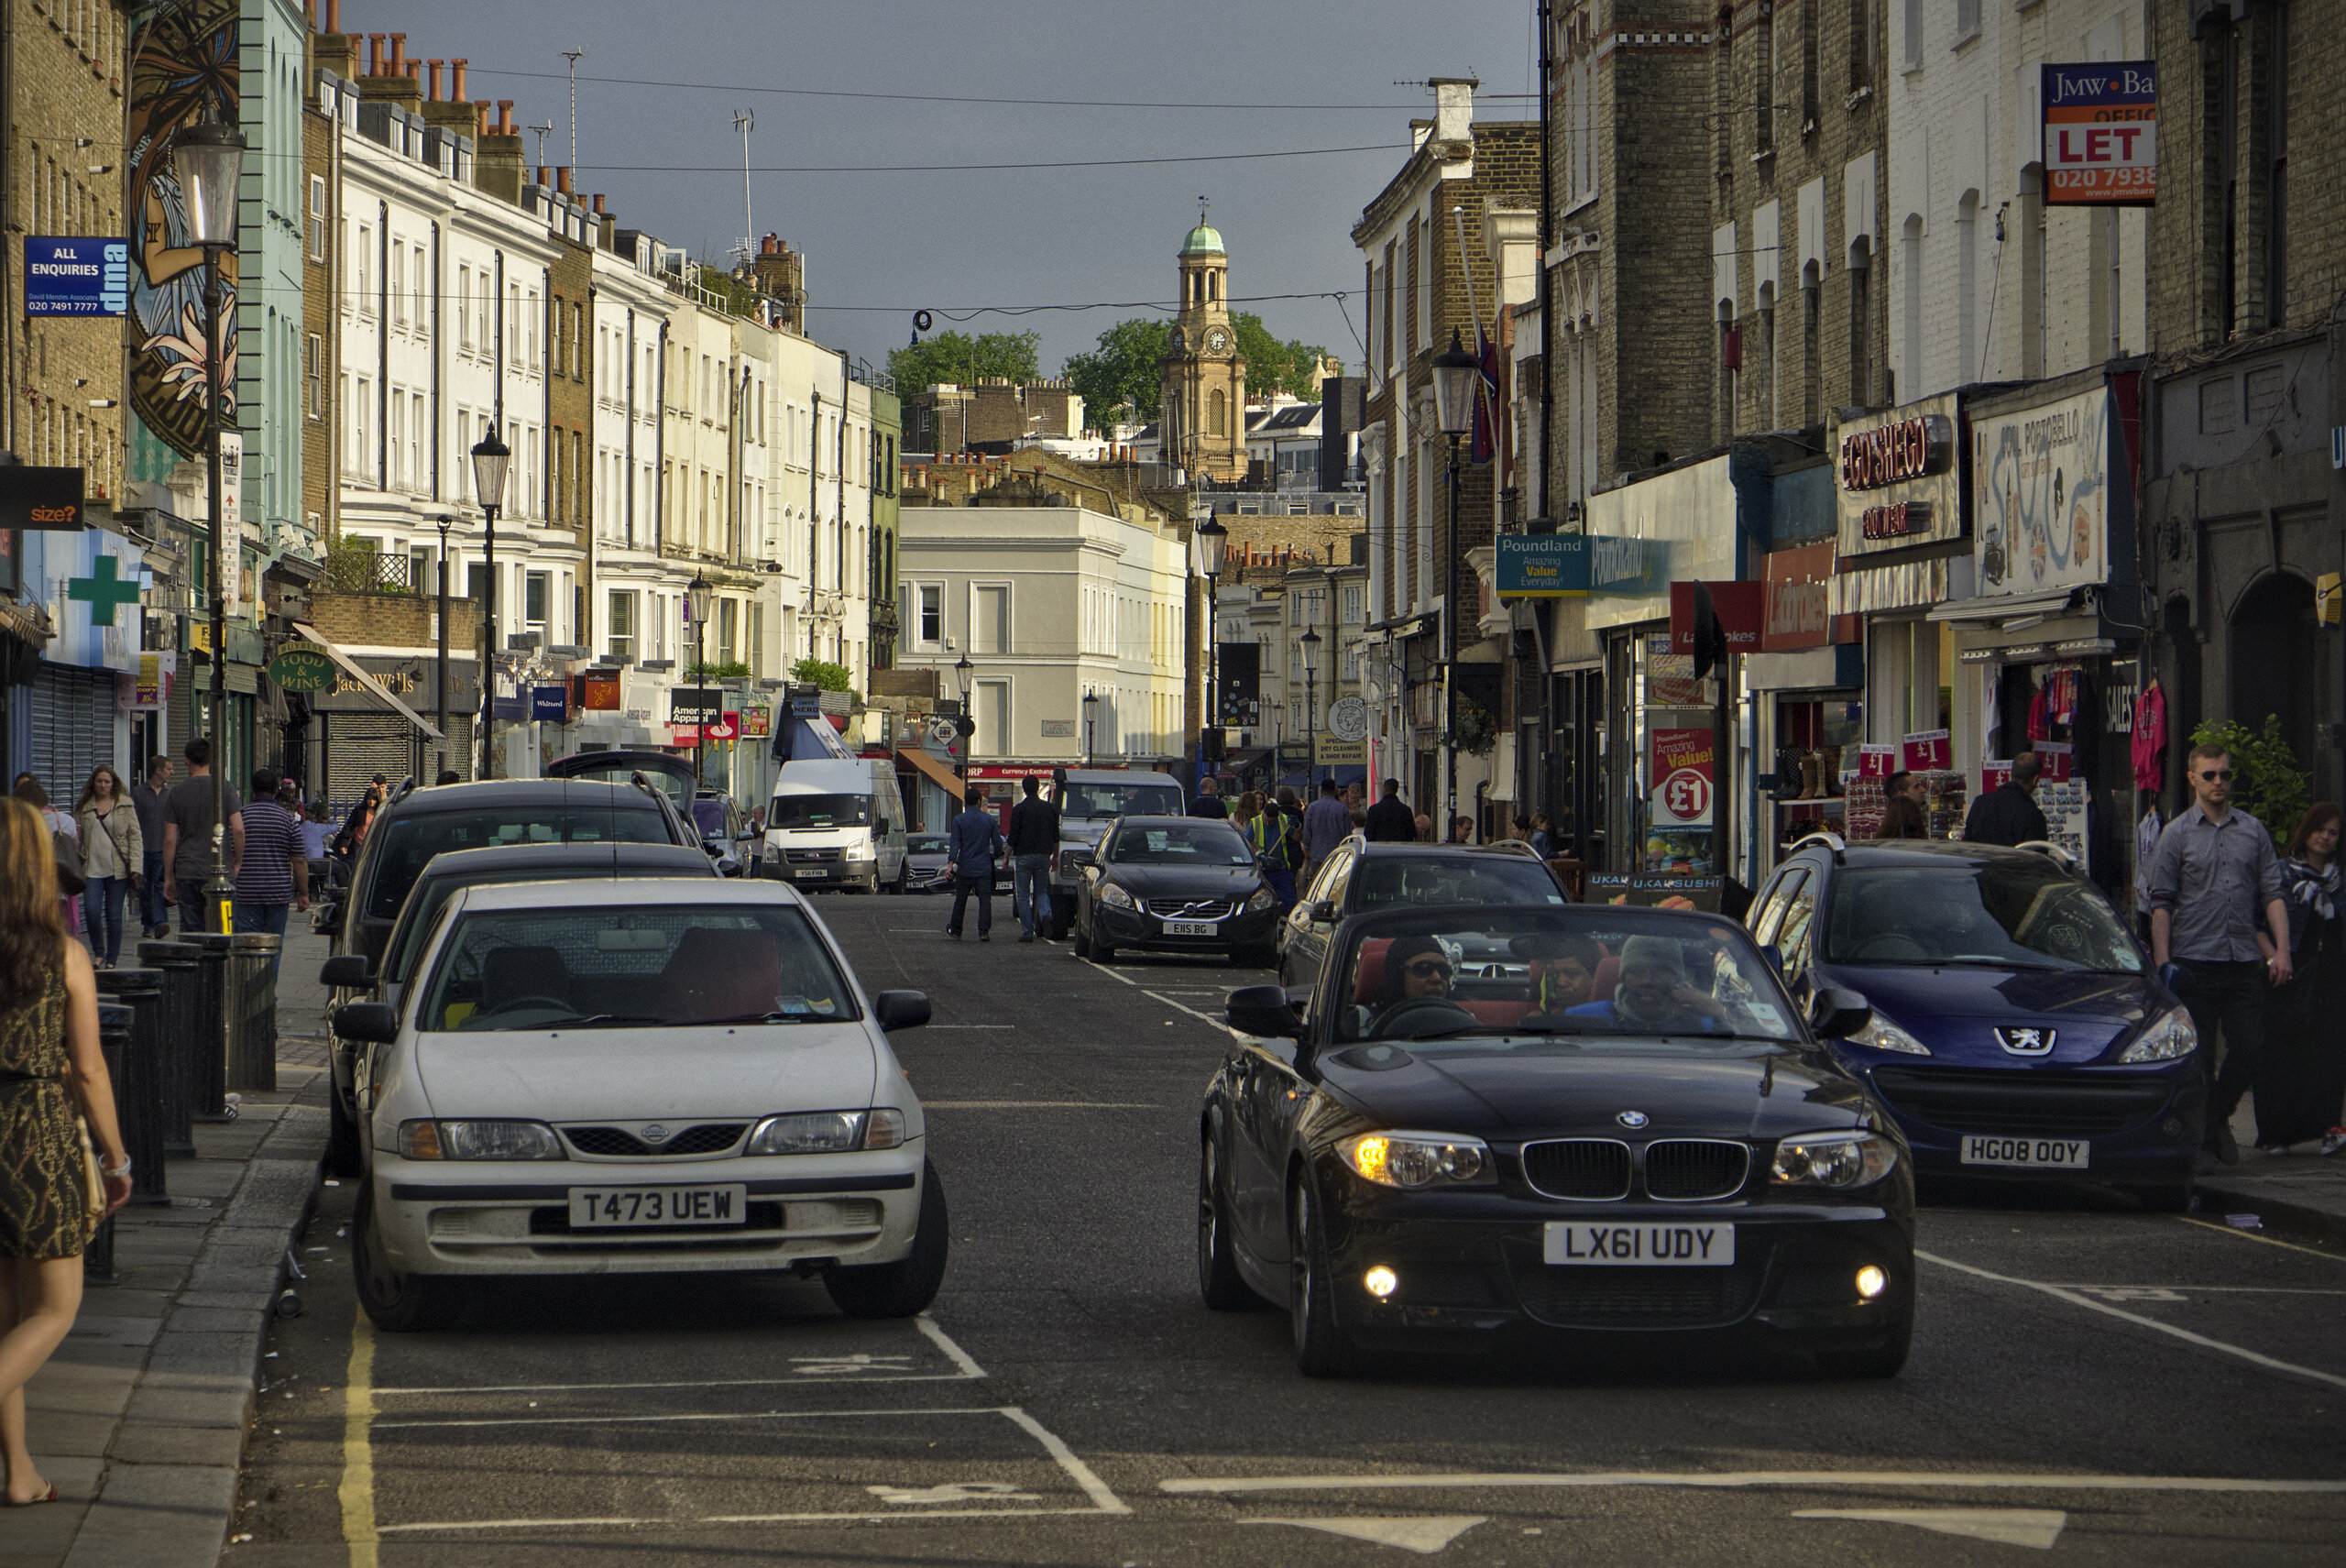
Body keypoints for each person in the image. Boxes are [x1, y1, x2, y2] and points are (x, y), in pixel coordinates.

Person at [0, 795, 134, 1507]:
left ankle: (19, 1472)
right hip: (33, 1139)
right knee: (53, 1311)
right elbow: (88, 1069)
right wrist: (118, 1160)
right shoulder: (64, 954)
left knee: (7, 1319)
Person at [2147, 741, 2292, 1165]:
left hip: (2244, 959)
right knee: (2202, 1056)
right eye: (2209, 775)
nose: (2218, 782)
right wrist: (2163, 963)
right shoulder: (2176, 834)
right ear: (2192, 778)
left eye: (2225, 774)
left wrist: (2281, 951)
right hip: (2195, 963)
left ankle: (2215, 1120)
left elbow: (2272, 894)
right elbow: (2161, 904)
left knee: (2250, 1046)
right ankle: (2209, 1137)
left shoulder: (2253, 830)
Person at [2254, 803, 2346, 1155]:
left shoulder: (2340, 880)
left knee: (2329, 1055)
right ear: (2305, 831)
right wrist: (2273, 957)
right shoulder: (2281, 873)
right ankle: (2276, 1134)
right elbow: (2255, 923)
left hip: (2332, 978)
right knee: (2281, 1054)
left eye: (2333, 832)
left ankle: (2329, 1128)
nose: (2325, 836)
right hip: (2289, 973)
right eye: (2320, 829)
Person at [229, 768, 310, 966]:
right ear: (276, 790)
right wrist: (304, 893)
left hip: (246, 892)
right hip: (277, 893)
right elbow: (299, 860)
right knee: (273, 948)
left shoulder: (241, 818)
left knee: (246, 948)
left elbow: (230, 853)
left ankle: (247, 992)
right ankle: (267, 992)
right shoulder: (287, 820)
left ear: (252, 790)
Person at [1568, 935, 1731, 1033]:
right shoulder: (1583, 1020)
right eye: (1637, 972)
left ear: (1677, 979)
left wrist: (1719, 1016)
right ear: (1623, 978)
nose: (1646, 981)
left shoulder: (1702, 1027)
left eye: (1658, 973)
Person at [72, 768, 142, 971]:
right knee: (92, 911)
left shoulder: (125, 805)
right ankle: (98, 953)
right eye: (99, 781)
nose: (103, 785)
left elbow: (135, 837)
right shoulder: (85, 808)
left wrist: (136, 866)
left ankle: (112, 958)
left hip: (118, 870)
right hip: (92, 869)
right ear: (93, 783)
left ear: (113, 784)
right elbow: (79, 842)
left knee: (113, 914)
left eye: (107, 781)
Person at [160, 738, 225, 934]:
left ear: (187, 761)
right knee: (224, 929)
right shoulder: (224, 788)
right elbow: (239, 829)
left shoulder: (177, 793)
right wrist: (237, 862)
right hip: (222, 874)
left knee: (191, 931)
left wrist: (169, 876)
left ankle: (195, 963)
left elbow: (170, 839)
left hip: (188, 872)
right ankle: (220, 965)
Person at [1365, 934, 1462, 1035]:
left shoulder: (1465, 1022)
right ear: (1399, 977)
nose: (1437, 978)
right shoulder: (1361, 1023)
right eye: (1423, 968)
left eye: (1443, 970)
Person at [945, 787, 1005, 942]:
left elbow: (955, 844)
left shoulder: (959, 820)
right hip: (984, 866)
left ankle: (956, 930)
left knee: (961, 899)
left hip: (965, 866)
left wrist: (951, 864)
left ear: (966, 801)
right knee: (985, 899)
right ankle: (983, 931)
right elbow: (998, 844)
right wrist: (995, 856)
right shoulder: (989, 820)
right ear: (979, 801)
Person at [1006, 775, 1058, 944]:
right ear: (1037, 788)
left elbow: (1013, 836)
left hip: (1024, 856)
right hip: (1044, 855)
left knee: (1022, 894)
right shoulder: (1049, 809)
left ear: (1024, 788)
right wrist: (1055, 857)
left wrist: (1006, 856)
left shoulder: (1019, 809)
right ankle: (1046, 915)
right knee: (1041, 891)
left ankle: (1028, 932)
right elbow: (1055, 836)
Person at [1961, 751, 2049, 847]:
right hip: (2012, 861)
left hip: (1979, 860)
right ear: (2035, 780)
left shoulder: (1980, 803)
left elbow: (1968, 846)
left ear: (2011, 774)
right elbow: (2038, 857)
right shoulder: (2033, 815)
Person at [1516, 930, 1602, 1026]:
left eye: (1571, 974)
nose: (1560, 983)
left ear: (1594, 977)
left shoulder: (1611, 1020)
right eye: (1551, 975)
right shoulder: (1536, 1022)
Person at [129, 756, 172, 939]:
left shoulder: (171, 794)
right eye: (168, 769)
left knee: (158, 887)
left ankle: (160, 923)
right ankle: (148, 923)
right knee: (145, 890)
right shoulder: (138, 793)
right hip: (143, 848)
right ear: (158, 771)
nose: (172, 772)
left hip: (163, 848)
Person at [1299, 777, 1351, 879]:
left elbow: (1307, 832)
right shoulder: (1342, 809)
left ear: (1322, 790)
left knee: (1318, 883)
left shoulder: (1312, 807)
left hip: (1317, 854)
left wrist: (1307, 848)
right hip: (1338, 855)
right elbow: (1347, 834)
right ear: (1335, 790)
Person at [1364, 779, 1416, 843]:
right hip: (1400, 850)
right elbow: (1412, 834)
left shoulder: (1374, 810)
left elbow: (1368, 834)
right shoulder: (1406, 810)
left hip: (1379, 850)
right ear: (1396, 790)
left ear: (1384, 789)